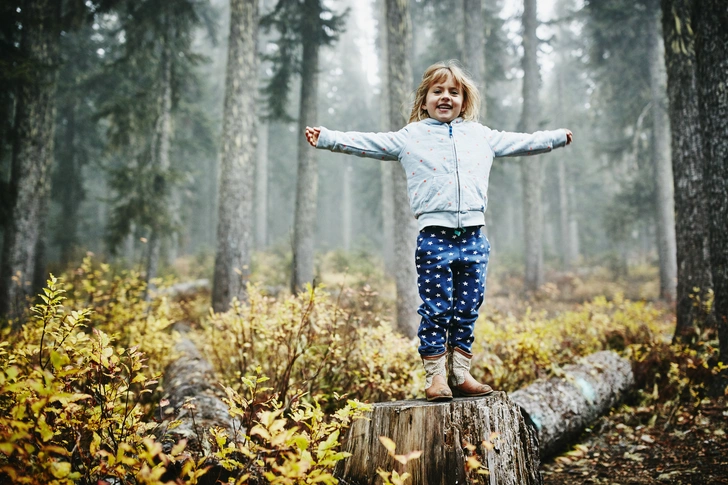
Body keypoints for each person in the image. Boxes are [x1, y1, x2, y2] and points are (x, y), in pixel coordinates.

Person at [305, 60, 573, 402]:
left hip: (474, 237)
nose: (445, 97)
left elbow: (522, 142)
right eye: (438, 91)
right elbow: (367, 143)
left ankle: (461, 373)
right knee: (436, 307)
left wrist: (556, 138)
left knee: (468, 305)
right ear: (424, 99)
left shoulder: (481, 135)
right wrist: (327, 138)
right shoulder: (411, 137)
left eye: (454, 92)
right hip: (435, 237)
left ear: (464, 100)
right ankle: (435, 377)